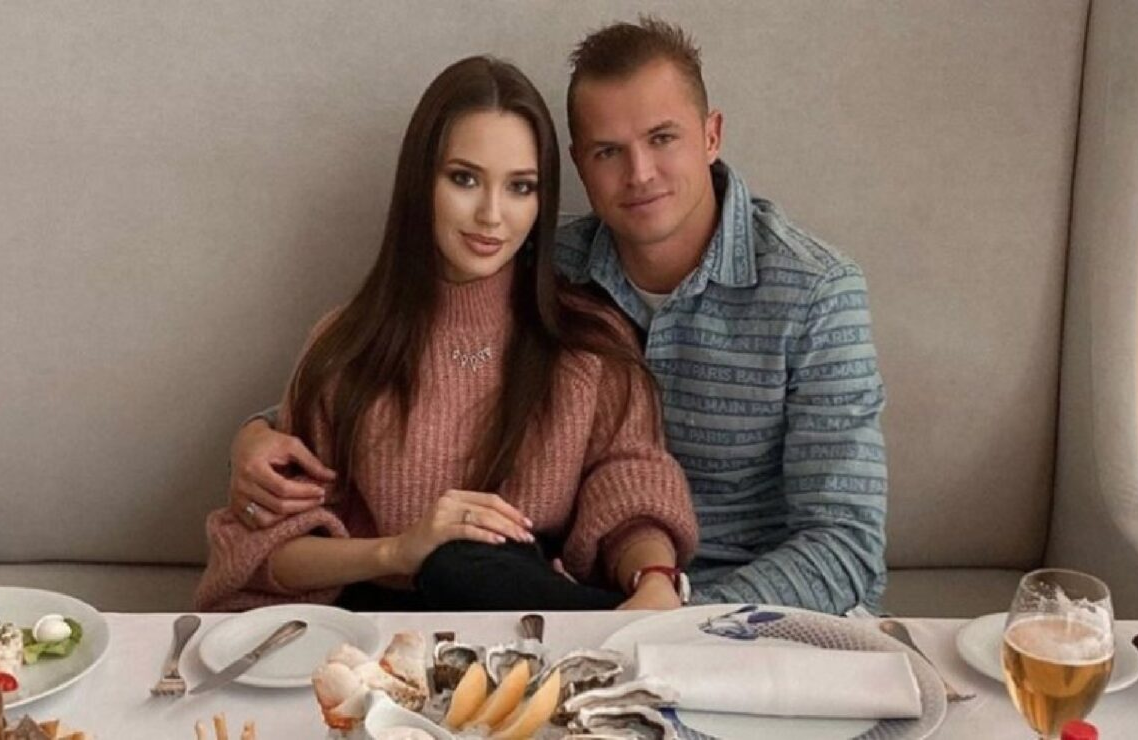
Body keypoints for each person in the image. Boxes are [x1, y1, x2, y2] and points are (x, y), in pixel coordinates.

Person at [229, 17, 888, 616]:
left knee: (471, 567)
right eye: (608, 151)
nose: (640, 174)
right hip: (573, 603)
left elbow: (846, 544)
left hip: (740, 607)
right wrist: (260, 433)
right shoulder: (544, 263)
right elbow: (381, 367)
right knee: (466, 566)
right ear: (577, 166)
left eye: (663, 138)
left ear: (711, 135)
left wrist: (675, 611)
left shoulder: (816, 292)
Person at [193, 55, 698, 613]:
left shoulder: (587, 343)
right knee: (453, 561)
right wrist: (399, 551)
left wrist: (654, 580)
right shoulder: (347, 346)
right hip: (378, 631)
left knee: (480, 561)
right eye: (464, 179)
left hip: (534, 628)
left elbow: (630, 486)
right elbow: (265, 550)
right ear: (421, 182)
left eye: (520, 187)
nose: (491, 215)